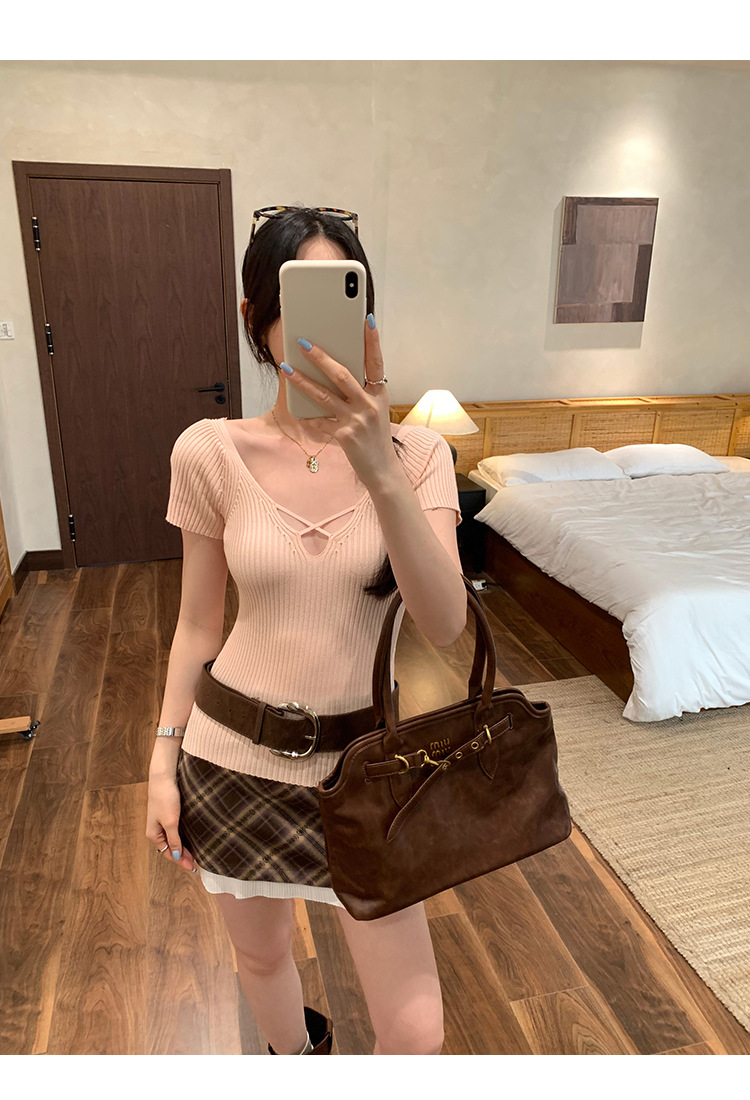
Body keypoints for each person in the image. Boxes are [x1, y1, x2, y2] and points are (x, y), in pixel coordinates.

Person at [146, 206, 465, 1055]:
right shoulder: (209, 452)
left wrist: (379, 467)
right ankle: (296, 1059)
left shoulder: (420, 457)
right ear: (256, 317)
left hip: (365, 768)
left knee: (416, 1034)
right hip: (231, 758)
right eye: (300, 301)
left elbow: (444, 624)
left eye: (345, 297)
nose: (327, 331)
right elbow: (196, 624)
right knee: (261, 957)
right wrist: (161, 764)